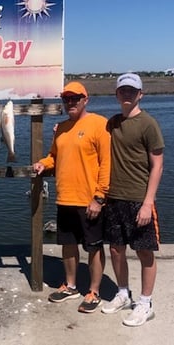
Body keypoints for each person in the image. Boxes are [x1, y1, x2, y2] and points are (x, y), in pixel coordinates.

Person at [33, 81, 110, 313]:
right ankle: (71, 285)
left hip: (89, 201)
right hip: (64, 198)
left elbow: (107, 164)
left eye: (75, 98)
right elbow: (54, 157)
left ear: (86, 99)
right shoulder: (62, 128)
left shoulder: (99, 124)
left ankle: (94, 291)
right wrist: (42, 164)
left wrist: (99, 197)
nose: (70, 103)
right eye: (66, 99)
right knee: (68, 246)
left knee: (94, 248)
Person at [102, 73, 164, 327]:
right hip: (114, 199)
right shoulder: (112, 123)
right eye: (122, 91)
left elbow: (157, 165)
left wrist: (148, 202)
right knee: (116, 249)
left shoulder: (148, 124)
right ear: (116, 95)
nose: (127, 95)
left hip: (139, 199)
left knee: (144, 252)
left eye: (132, 91)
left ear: (141, 94)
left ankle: (145, 303)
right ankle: (122, 293)